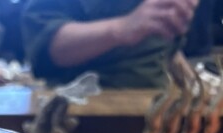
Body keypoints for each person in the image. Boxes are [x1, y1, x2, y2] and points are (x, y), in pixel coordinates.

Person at [21, 0, 200, 88]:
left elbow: (164, 48)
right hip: (84, 116)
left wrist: (196, 89)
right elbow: (47, 46)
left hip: (155, 112)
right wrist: (122, 28)